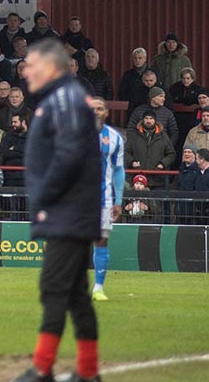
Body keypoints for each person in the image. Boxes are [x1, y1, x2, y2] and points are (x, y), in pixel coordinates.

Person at [11, 40, 101, 382]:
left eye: (31, 65)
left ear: (50, 68)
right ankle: (89, 372)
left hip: (68, 212)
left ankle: (42, 367)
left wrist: (45, 198)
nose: (26, 71)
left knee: (52, 287)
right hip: (71, 210)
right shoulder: (63, 99)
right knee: (77, 294)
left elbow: (68, 155)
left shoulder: (65, 100)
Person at [91, 96, 125, 303]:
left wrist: (118, 200)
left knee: (101, 240)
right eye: (92, 108)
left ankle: (98, 287)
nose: (96, 111)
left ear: (106, 112)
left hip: (103, 198)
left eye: (100, 108)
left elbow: (119, 170)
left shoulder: (115, 137)